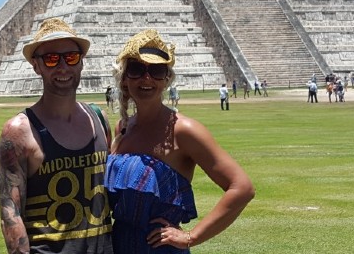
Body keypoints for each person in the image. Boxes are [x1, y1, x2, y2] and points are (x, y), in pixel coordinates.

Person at [106, 29, 254, 253]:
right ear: (125, 78)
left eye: (156, 70)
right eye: (136, 69)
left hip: (159, 248)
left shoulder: (184, 130)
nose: (147, 78)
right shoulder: (123, 128)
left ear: (166, 79)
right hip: (118, 244)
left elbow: (242, 188)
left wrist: (190, 237)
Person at [0, 18, 113, 253]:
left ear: (81, 63)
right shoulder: (19, 131)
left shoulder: (98, 119)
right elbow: (11, 214)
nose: (62, 67)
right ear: (36, 66)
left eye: (71, 57)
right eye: (51, 59)